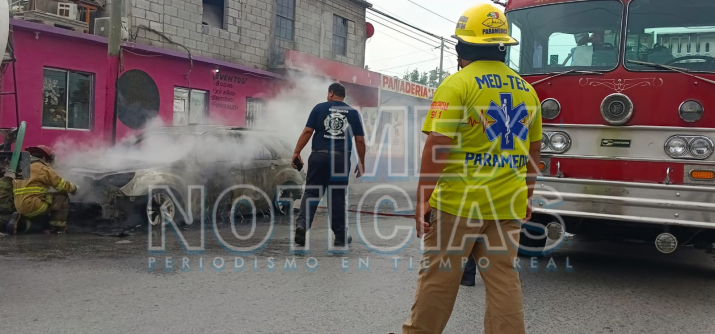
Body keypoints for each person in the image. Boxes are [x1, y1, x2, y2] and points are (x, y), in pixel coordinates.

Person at [402, 4, 542, 334]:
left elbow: (437, 144)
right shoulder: (527, 90)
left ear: (461, 47)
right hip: (506, 204)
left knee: (439, 280)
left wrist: (423, 199)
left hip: (457, 205)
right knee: (504, 281)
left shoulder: (457, 84)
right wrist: (527, 194)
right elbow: (534, 149)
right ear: (502, 46)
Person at [292, 83, 366, 247]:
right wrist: (361, 162)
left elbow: (307, 132)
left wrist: (297, 152)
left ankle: (302, 226)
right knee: (337, 197)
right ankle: (340, 236)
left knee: (311, 192)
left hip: (319, 156)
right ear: (343, 96)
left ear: (331, 93)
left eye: (328, 93)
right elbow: (360, 140)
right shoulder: (353, 113)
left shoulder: (319, 108)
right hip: (340, 160)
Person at [8, 145, 77, 234]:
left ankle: (23, 222)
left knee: (45, 199)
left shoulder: (23, 167)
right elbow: (61, 186)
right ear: (44, 158)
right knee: (62, 196)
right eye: (48, 161)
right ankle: (56, 228)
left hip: (18, 206)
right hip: (34, 205)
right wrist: (75, 188)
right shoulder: (42, 168)